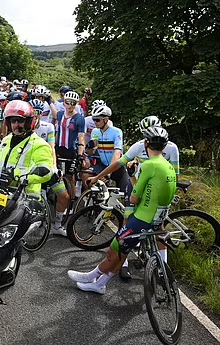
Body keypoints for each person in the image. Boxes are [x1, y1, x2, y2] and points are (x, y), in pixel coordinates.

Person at [67, 127, 176, 294]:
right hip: (158, 217)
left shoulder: (149, 165)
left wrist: (132, 175)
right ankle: (100, 283)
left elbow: (134, 198)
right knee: (123, 251)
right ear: (164, 146)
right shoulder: (168, 166)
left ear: (146, 144)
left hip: (142, 218)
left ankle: (91, 277)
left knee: (115, 250)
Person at [87, 116, 180, 280]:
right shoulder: (138, 146)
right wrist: (98, 176)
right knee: (128, 221)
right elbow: (118, 164)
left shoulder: (172, 148)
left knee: (153, 229)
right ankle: (123, 264)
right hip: (137, 184)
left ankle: (162, 268)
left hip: (151, 191)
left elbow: (175, 176)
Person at [29, 99, 71, 236]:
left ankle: (57, 225)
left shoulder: (48, 127)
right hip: (32, 169)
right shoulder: (25, 127)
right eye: (34, 112)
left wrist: (54, 166)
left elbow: (52, 148)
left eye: (39, 112)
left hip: (47, 166)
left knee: (64, 196)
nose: (36, 115)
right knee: (39, 200)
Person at [0, 100, 54, 197]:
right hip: (2, 191)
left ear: (28, 122)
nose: (16, 124)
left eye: (20, 121)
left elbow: (47, 171)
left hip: (26, 196)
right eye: (13, 121)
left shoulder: (39, 144)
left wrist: (17, 175)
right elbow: (0, 161)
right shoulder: (6, 140)